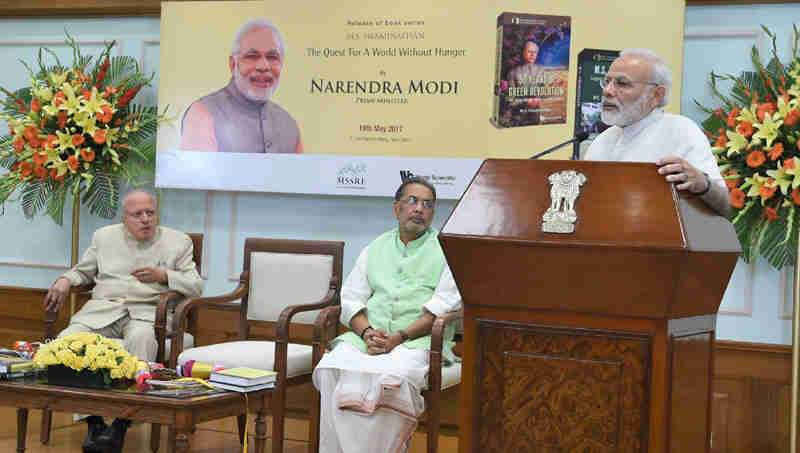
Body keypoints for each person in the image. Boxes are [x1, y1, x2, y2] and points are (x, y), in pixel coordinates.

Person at [44, 190, 204, 453]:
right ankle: (93, 422)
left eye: (150, 213)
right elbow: (83, 271)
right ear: (124, 218)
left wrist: (164, 274)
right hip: (102, 311)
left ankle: (122, 422)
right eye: (137, 214)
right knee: (67, 340)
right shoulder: (104, 237)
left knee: (141, 339)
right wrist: (64, 280)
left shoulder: (178, 242)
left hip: (148, 313)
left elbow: (196, 286)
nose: (145, 220)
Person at [312, 177, 462, 453]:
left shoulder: (447, 250)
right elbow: (350, 298)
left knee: (390, 380)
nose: (419, 209)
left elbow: (443, 305)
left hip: (418, 342)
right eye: (412, 201)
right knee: (331, 368)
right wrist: (368, 333)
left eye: (427, 205)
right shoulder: (376, 247)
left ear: (432, 213)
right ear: (397, 209)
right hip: (370, 338)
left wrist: (399, 337)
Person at [585, 48, 730, 216]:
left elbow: (726, 206)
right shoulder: (602, 141)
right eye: (607, 81)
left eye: (622, 83)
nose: (607, 91)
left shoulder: (682, 131)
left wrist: (703, 184)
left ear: (656, 94)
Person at [181, 18, 302, 154]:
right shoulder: (203, 113)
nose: (263, 66)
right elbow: (198, 174)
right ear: (233, 65)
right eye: (252, 56)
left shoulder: (289, 125)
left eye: (272, 57)